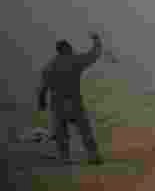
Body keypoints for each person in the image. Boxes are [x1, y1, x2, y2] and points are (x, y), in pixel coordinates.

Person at [37, 33, 105, 165]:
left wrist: (41, 102)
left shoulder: (49, 66)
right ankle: (93, 156)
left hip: (57, 104)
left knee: (61, 134)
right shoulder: (74, 60)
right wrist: (96, 40)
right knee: (85, 131)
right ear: (67, 49)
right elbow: (93, 55)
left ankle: (65, 158)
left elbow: (42, 88)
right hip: (74, 102)